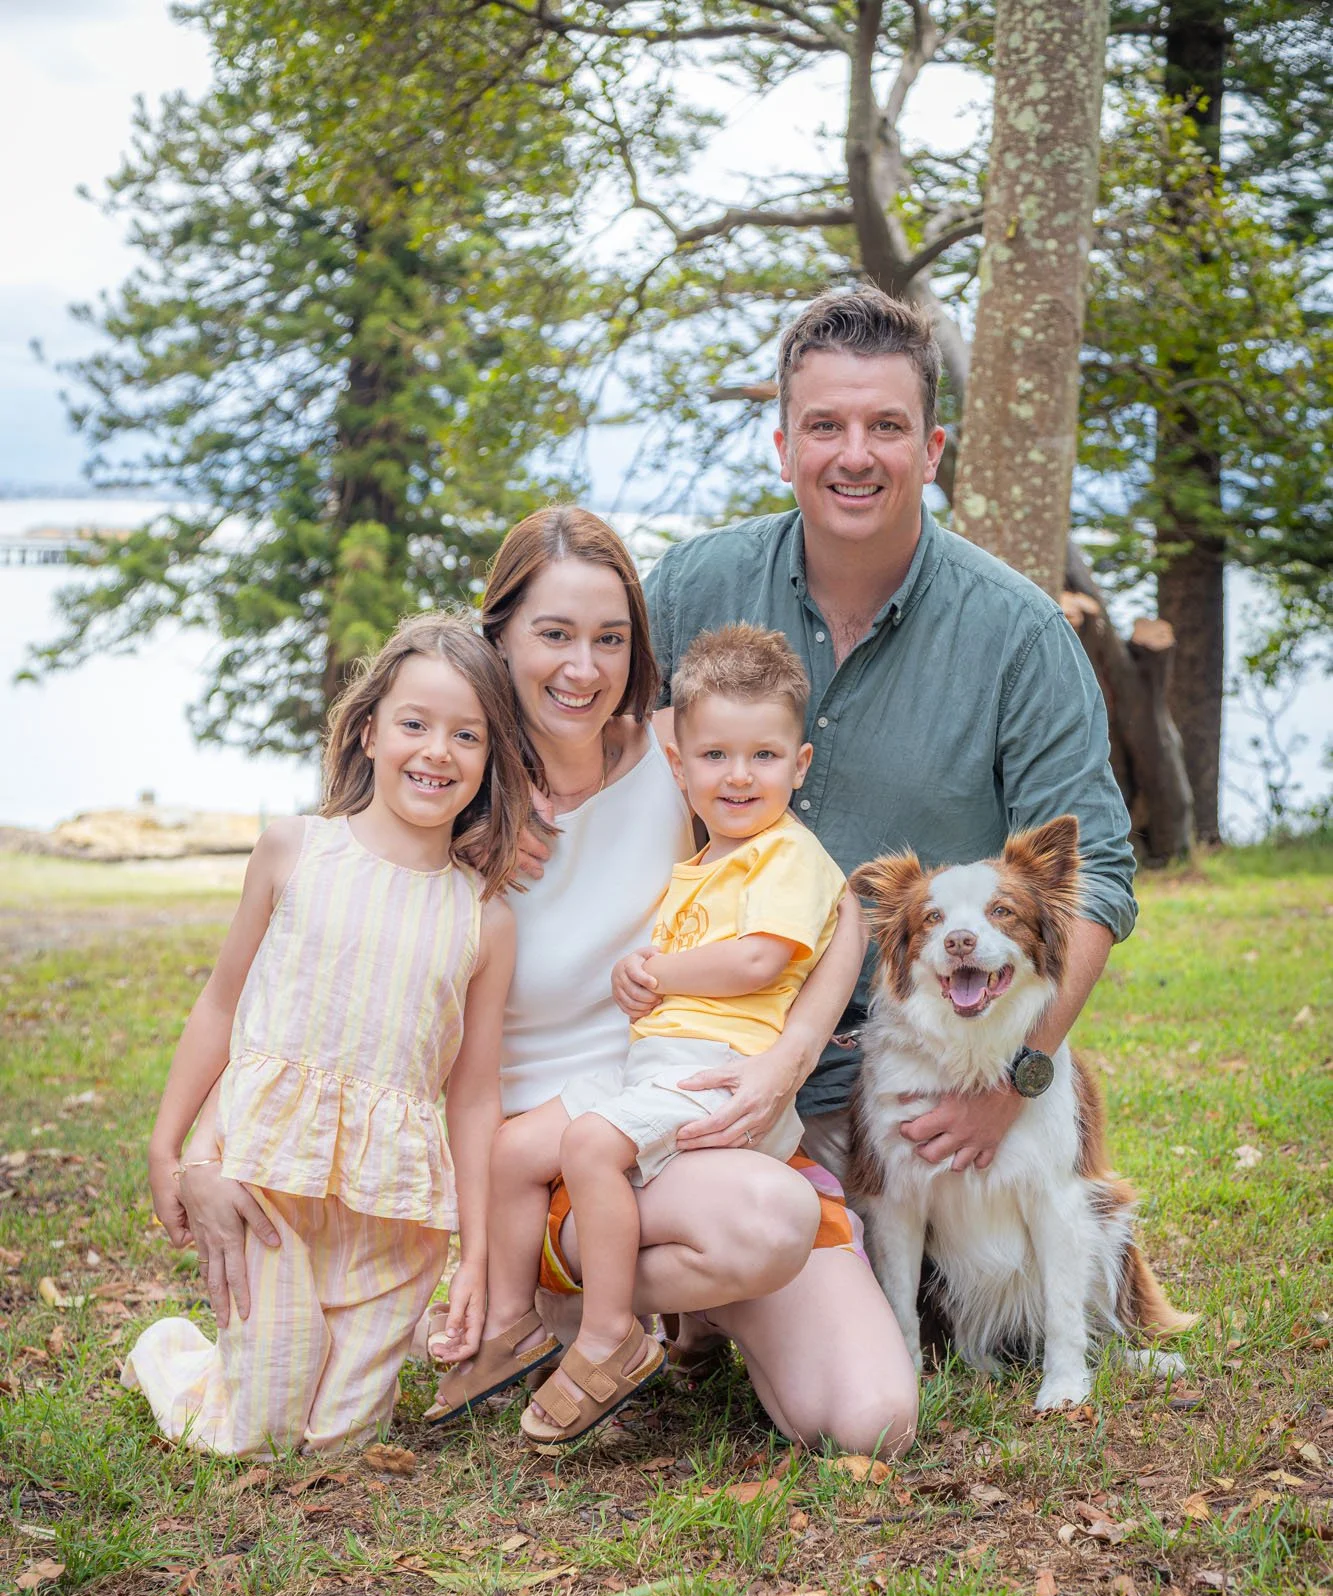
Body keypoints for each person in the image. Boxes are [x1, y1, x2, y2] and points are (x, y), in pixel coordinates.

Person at [419, 506, 919, 1453]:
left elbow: (836, 911)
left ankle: (691, 1319)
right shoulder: (459, 802)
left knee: (871, 1420)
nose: (583, 668)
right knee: (761, 1220)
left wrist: (789, 1060)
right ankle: (569, 1312)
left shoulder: (683, 760)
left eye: (610, 639)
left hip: (704, 1111)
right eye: (553, 635)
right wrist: (482, 1262)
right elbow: (465, 1079)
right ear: (499, 637)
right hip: (569, 1161)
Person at [644, 286, 1138, 1210]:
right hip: (686, 1038)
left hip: (900, 1074)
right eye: (824, 426)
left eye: (887, 426)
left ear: (931, 450)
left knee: (857, 1343)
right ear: (783, 446)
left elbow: (1098, 876)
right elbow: (564, 704)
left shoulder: (1018, 636)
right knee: (682, 1264)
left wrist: (1014, 1082)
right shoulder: (687, 586)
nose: (855, 456)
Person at [124, 615, 529, 1457]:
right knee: (264, 1437)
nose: (437, 752)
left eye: (468, 736)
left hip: (394, 1209)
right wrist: (170, 1149)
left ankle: (332, 1370)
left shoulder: (482, 918)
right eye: (415, 724)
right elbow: (220, 1006)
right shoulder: (294, 851)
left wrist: (477, 1252)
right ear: (369, 727)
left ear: (491, 762)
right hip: (269, 1175)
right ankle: (165, 1353)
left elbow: (475, 1090)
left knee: (339, 1441)